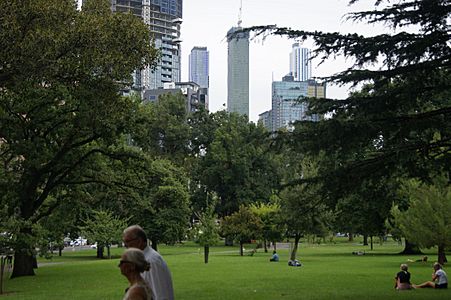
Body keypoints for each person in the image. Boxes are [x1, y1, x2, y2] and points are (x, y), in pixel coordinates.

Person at [123, 225, 174, 300]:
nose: (125, 246)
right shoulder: (143, 259)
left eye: (127, 241)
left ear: (139, 241)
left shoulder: (152, 262)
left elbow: (161, 296)